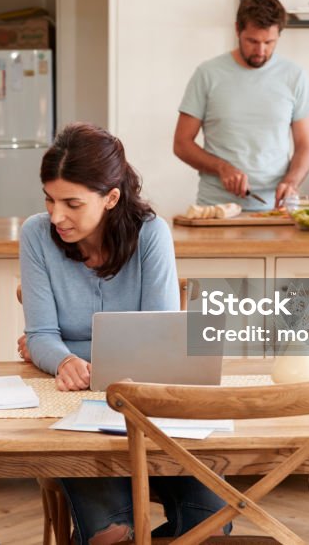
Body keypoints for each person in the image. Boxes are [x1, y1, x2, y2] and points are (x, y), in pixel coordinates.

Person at [18, 122, 229, 545]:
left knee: (212, 520)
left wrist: (66, 349)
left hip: (152, 411)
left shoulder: (151, 234)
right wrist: (62, 358)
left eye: (72, 203)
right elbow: (41, 334)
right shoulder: (36, 234)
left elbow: (161, 341)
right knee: (111, 532)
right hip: (76, 410)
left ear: (111, 198)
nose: (56, 215)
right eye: (50, 199)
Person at [174, 0, 309, 210]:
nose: (260, 51)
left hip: (276, 209)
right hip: (216, 209)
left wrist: (291, 181)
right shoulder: (207, 74)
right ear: (237, 29)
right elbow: (182, 143)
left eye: (269, 42)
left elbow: (305, 145)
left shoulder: (295, 76)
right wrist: (222, 168)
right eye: (252, 41)